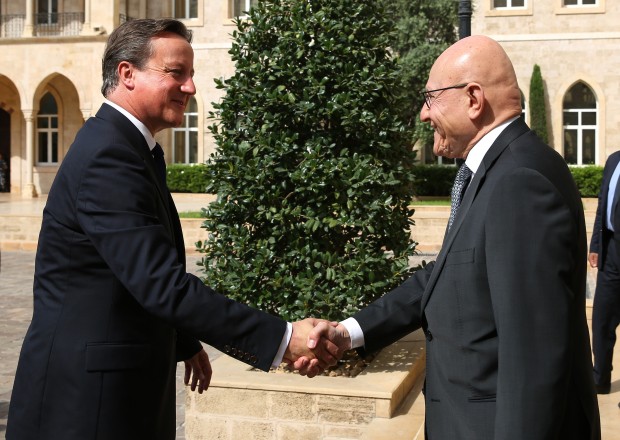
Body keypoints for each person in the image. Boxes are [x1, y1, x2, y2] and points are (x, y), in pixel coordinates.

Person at [7, 19, 336, 440]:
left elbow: (129, 275)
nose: (191, 87)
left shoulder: (127, 148)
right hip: (88, 402)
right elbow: (161, 283)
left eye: (191, 74)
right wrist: (283, 337)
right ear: (127, 74)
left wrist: (184, 341)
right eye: (176, 73)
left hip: (115, 389)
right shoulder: (110, 157)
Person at [307, 35, 601, 439]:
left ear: (473, 99)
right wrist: (349, 332)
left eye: (431, 99)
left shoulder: (519, 182)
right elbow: (445, 275)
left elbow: (532, 360)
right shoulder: (496, 171)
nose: (424, 116)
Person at [588, 150, 620, 395]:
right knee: (601, 320)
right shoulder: (613, 160)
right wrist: (596, 246)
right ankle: (600, 379)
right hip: (611, 252)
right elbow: (602, 204)